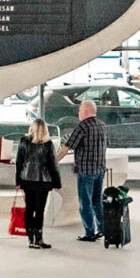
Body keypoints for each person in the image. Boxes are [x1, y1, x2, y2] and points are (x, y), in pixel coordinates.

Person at [56, 99, 108, 242]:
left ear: (84, 112)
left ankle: (89, 232)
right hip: (100, 169)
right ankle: (102, 229)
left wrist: (52, 162)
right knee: (97, 201)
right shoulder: (102, 126)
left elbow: (66, 148)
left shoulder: (82, 127)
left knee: (85, 203)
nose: (78, 113)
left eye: (79, 110)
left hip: (86, 171)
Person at [15, 118, 61, 249]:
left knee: (29, 209)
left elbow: (19, 163)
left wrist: (18, 181)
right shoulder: (48, 144)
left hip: (27, 179)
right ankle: (39, 238)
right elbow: (53, 165)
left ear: (32, 128)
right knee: (40, 210)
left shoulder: (24, 142)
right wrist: (56, 182)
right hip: (43, 181)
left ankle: (31, 239)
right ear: (45, 129)